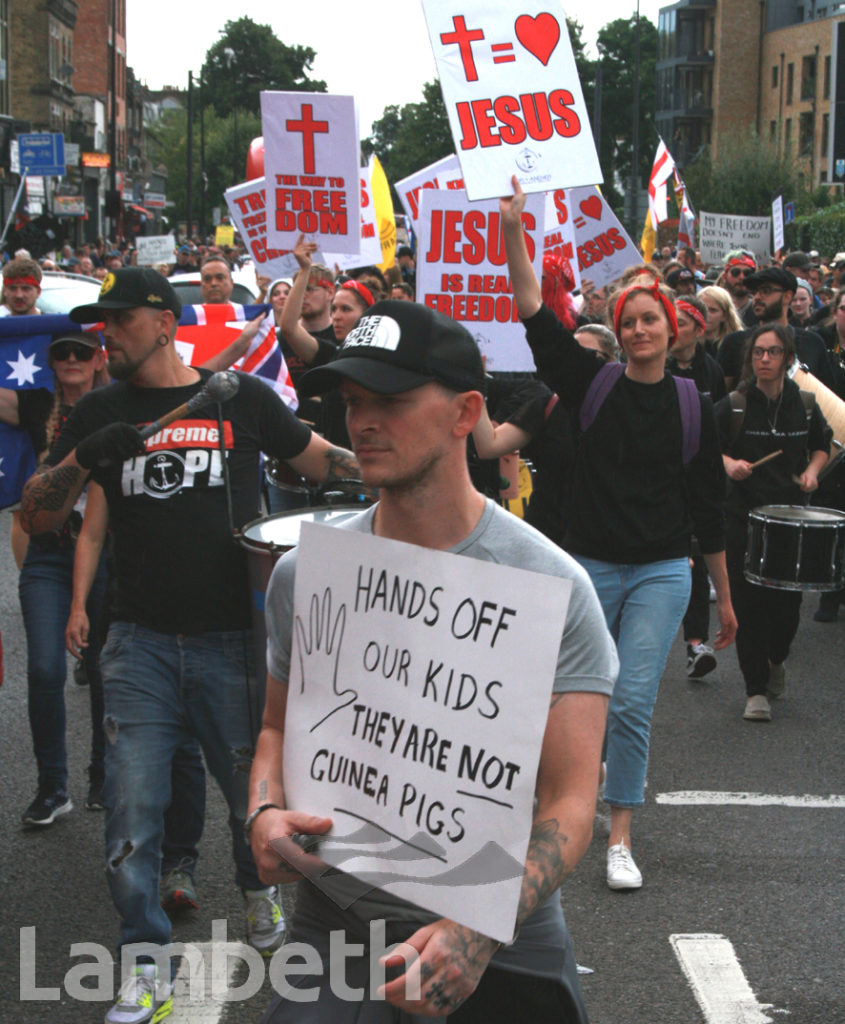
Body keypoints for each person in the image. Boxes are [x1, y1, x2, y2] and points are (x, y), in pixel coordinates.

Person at [248, 298, 617, 1023]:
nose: (361, 422)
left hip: (502, 940)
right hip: (336, 923)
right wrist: (262, 809)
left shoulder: (550, 587)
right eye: (352, 401)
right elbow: (273, 728)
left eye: (388, 400)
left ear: (464, 413)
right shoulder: (307, 575)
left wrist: (476, 931)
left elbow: (572, 800)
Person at [20, 268, 361, 1024]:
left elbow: (322, 460)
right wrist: (83, 459)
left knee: (252, 796)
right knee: (132, 808)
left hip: (235, 644)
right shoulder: (102, 412)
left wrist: (406, 463)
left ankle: (256, 891)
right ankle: (144, 961)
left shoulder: (236, 398)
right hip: (136, 643)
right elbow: (40, 518)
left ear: (166, 323)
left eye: (122, 318)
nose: (109, 331)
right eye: (101, 320)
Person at [501, 177, 736, 891]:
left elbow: (707, 508)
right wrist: (513, 230)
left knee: (632, 701)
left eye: (649, 321)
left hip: (663, 571)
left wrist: (723, 600)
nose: (637, 330)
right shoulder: (591, 383)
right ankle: (545, 807)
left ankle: (619, 835)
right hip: (591, 566)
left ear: (675, 330)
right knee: (561, 692)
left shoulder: (695, 405)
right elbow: (535, 316)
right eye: (628, 320)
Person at [1, 331, 109, 823]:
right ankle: (52, 788)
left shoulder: (116, 405)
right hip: (47, 552)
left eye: (80, 352)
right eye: (61, 353)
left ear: (97, 360)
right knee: (44, 669)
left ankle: (103, 777)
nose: (70, 359)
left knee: (107, 669)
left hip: (107, 554)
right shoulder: (37, 405)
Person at [715, 323, 831, 721]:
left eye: (773, 352)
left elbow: (822, 444)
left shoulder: (807, 404)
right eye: (758, 352)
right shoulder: (734, 404)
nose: (764, 359)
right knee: (749, 606)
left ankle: (776, 658)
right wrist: (730, 464)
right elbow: (706, 450)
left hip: (790, 521)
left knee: (788, 608)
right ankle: (755, 691)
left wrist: (814, 471)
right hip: (743, 520)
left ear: (787, 358)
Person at [666, 295, 727, 679]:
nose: (675, 331)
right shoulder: (657, 364)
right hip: (662, 473)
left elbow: (719, 425)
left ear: (698, 329)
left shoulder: (712, 371)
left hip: (697, 475)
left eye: (682, 324)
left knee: (697, 556)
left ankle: (695, 644)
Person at [715, 267, 836, 392]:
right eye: (755, 292)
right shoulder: (734, 342)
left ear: (787, 296)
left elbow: (828, 400)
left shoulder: (812, 343)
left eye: (766, 291)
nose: (757, 297)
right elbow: (721, 397)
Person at [698, 284, 742, 357]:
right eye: (702, 309)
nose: (706, 314)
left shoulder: (737, 344)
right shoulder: (689, 343)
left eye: (712, 310)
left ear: (725, 315)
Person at [717, 250, 757, 326]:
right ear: (724, 277)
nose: (741, 277)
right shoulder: (715, 308)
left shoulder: (759, 310)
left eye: (747, 273)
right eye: (735, 272)